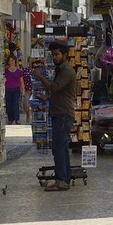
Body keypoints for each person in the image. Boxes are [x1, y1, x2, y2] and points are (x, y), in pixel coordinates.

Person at [33, 41, 77, 191]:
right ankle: (65, 178)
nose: (54, 57)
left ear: (65, 55)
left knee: (58, 148)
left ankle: (61, 181)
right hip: (60, 112)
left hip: (63, 114)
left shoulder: (67, 71)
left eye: (57, 54)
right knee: (62, 148)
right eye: (53, 55)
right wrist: (47, 98)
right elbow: (60, 92)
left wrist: (39, 76)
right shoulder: (61, 69)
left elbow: (55, 87)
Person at [3, 51, 28, 125]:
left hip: (16, 90)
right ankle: (10, 119)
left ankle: (17, 119)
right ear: (8, 62)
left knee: (15, 104)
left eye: (13, 60)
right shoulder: (6, 71)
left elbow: (21, 82)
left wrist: (23, 90)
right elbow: (4, 80)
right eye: (10, 60)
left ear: (15, 61)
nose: (12, 62)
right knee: (9, 104)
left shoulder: (19, 72)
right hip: (8, 89)